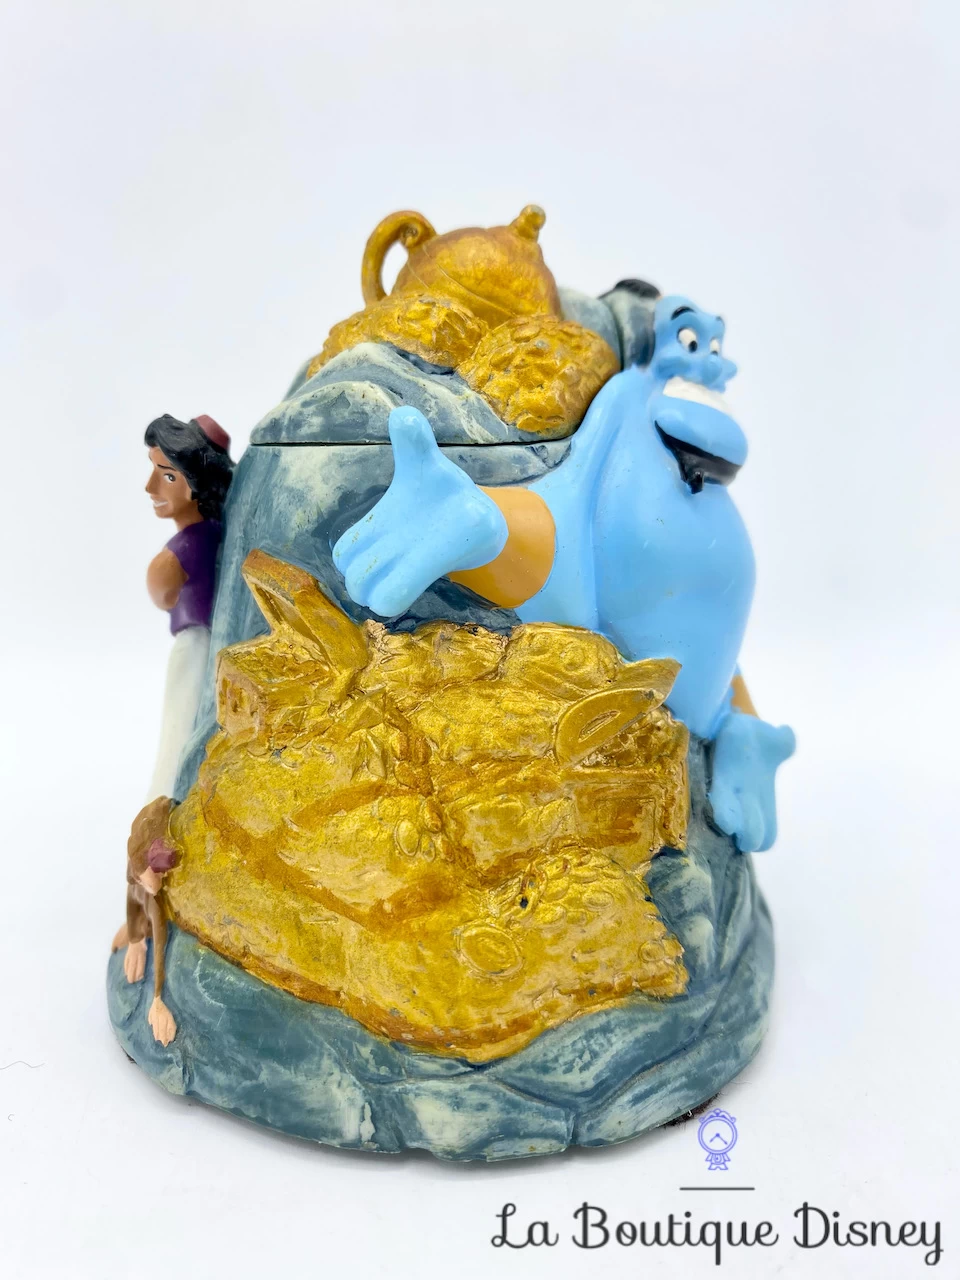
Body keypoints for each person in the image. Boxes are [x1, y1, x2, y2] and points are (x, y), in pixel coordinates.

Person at [143, 413, 234, 800]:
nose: (149, 487)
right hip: (212, 643)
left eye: (167, 476)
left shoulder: (182, 550)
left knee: (179, 725)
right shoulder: (217, 532)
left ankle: (169, 798)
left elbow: (161, 592)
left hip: (194, 646)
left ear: (196, 486)